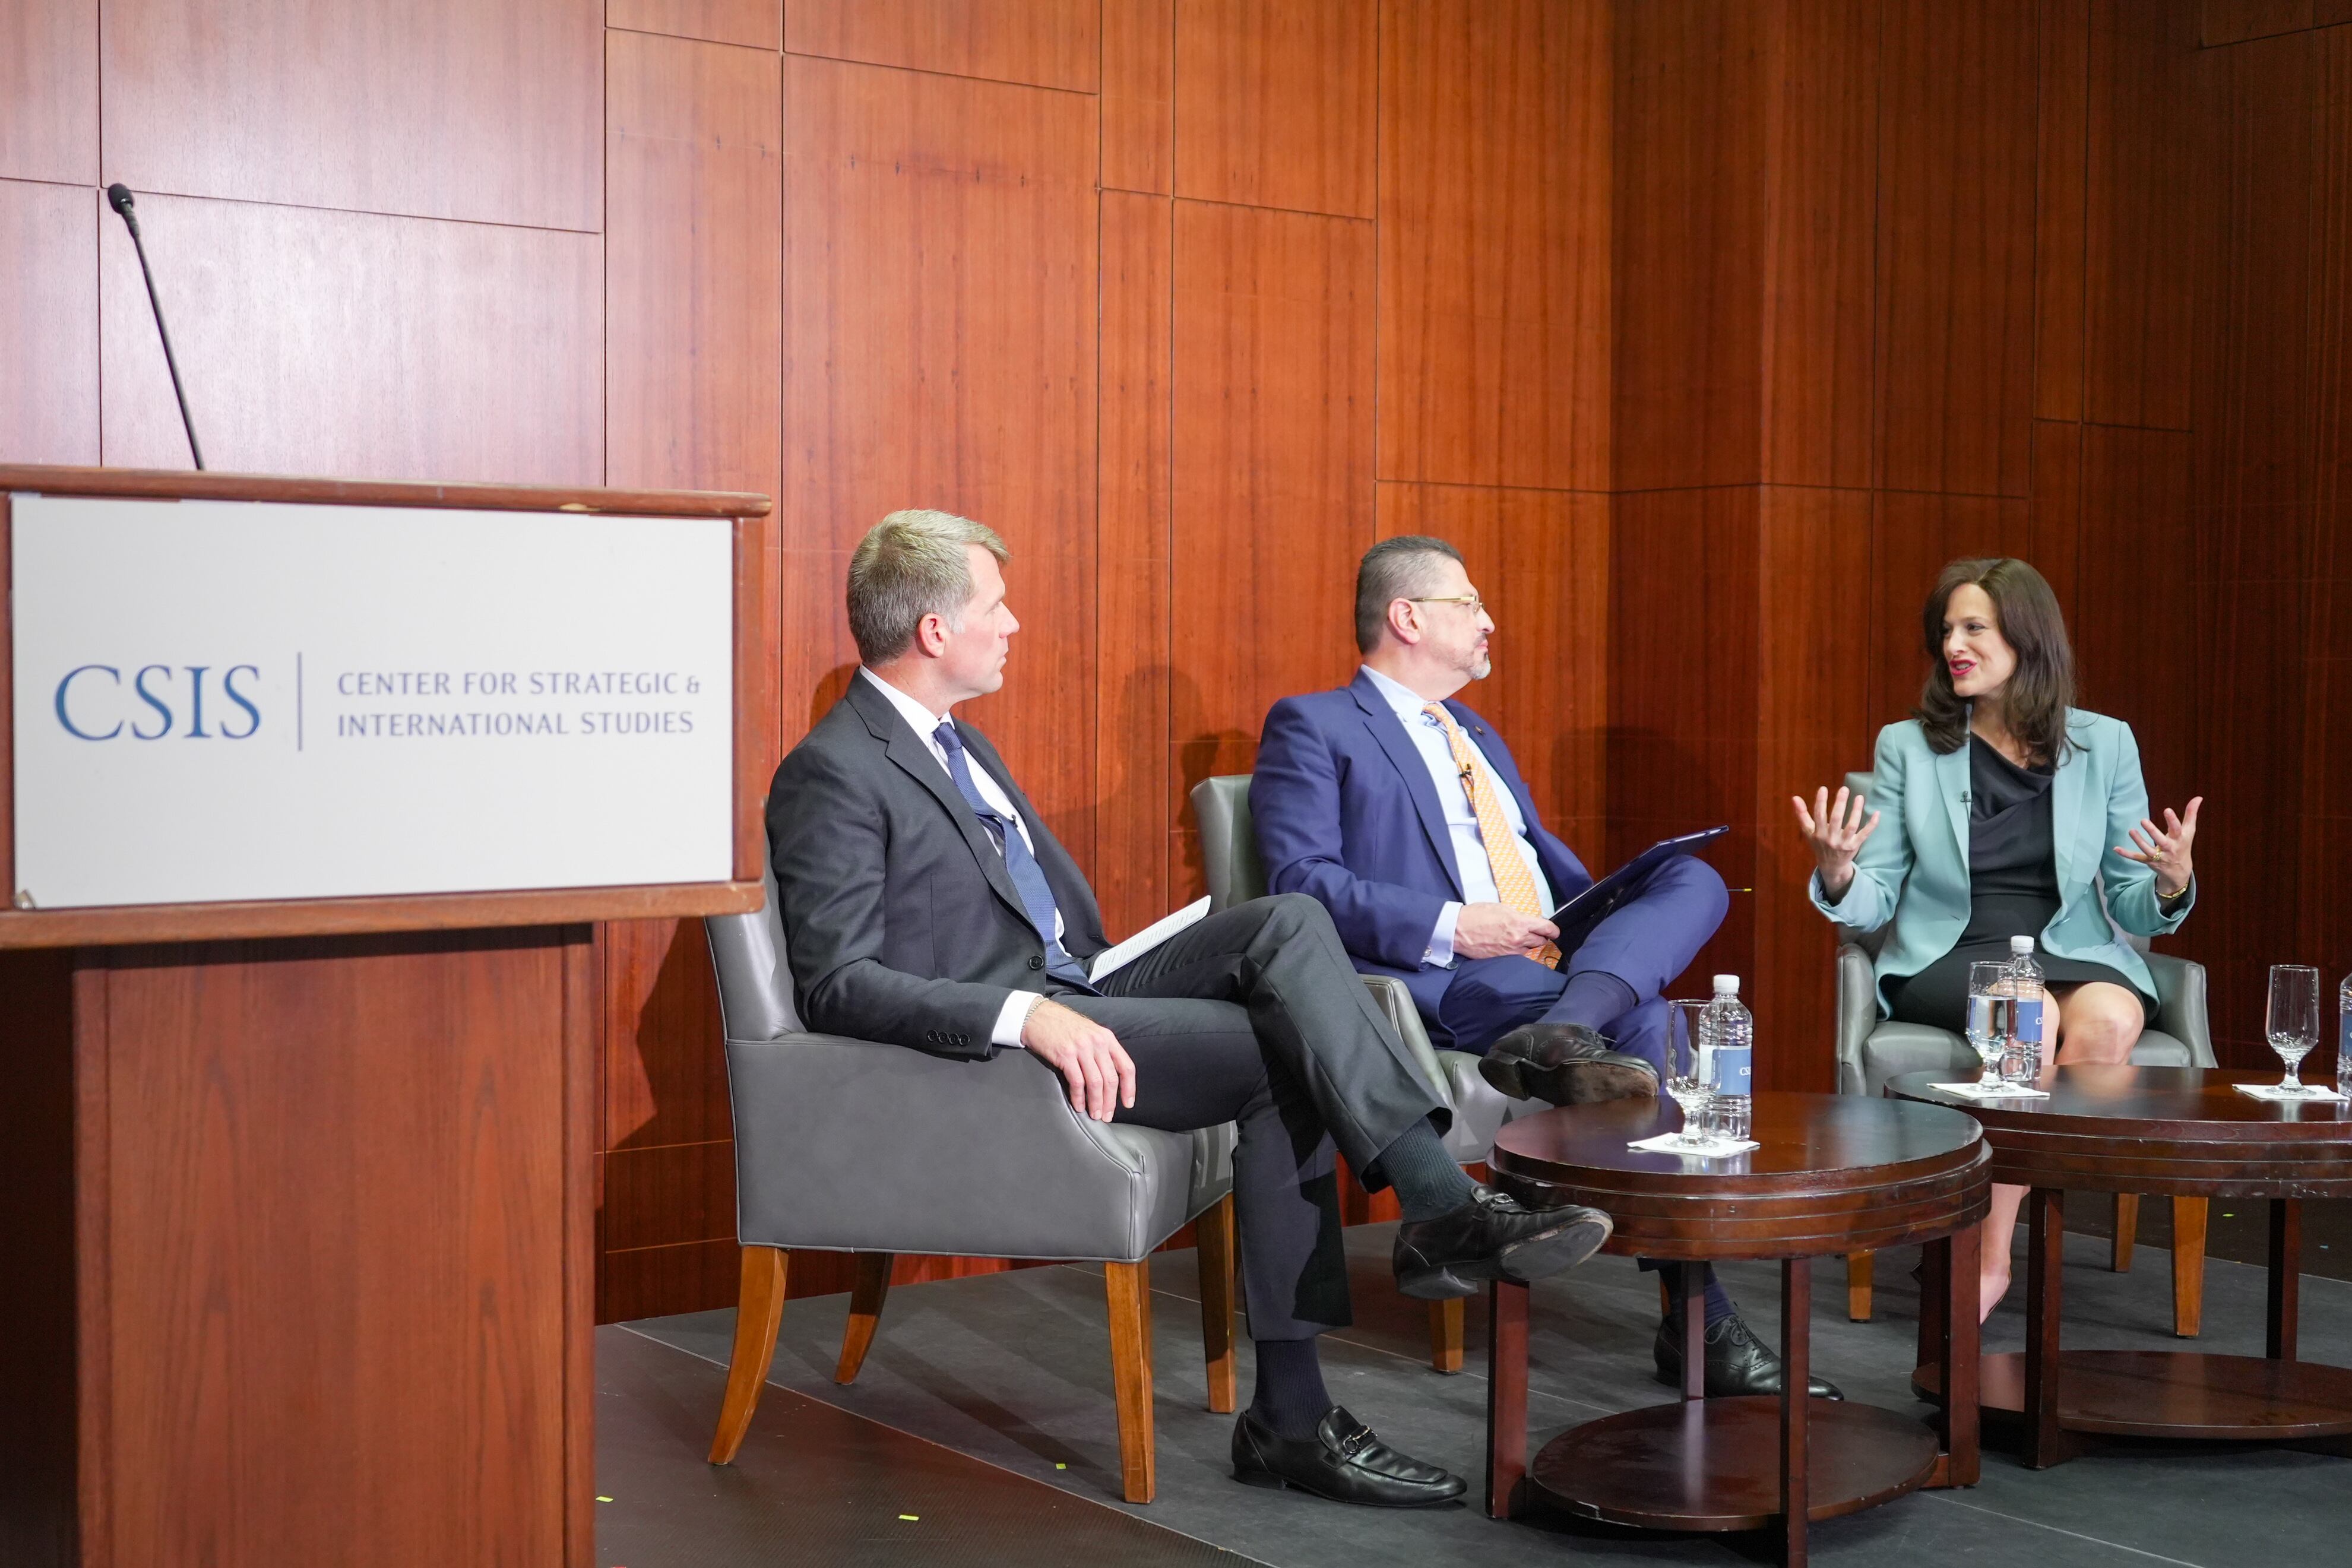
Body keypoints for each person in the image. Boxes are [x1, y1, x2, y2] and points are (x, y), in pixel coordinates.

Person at [767, 510, 1615, 1509]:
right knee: (1282, 1052)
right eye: (996, 606)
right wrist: (1021, 1017)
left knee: (1290, 920)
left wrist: (1094, 975)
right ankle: (1317, 1385)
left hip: (1082, 983)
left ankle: (1429, 1223)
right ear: (935, 631)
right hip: (1010, 1034)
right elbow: (837, 981)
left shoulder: (963, 744)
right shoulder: (834, 769)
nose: (1016, 624)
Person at [1251, 534, 1837, 1401]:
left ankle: (1570, 1024)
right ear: (1407, 616)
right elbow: (1299, 884)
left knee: (1695, 876)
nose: (1491, 623)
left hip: (1548, 964)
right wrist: (1459, 924)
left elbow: (1550, 871)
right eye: (1471, 605)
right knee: (1647, 1029)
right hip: (1453, 976)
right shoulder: (1316, 723)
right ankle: (1698, 1319)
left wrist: (1618, 896)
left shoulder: (1477, 732)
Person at [1793, 557, 2201, 1320]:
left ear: (2026, 638)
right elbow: (1873, 897)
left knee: (2111, 1018)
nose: (1954, 643)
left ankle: (1995, 1223)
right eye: (1947, 629)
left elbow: (2130, 904)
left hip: (2070, 947)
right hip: (1950, 952)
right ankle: (1991, 1257)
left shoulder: (2104, 744)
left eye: (1974, 627)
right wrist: (1841, 871)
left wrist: (2171, 880)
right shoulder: (1908, 747)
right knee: (2028, 1014)